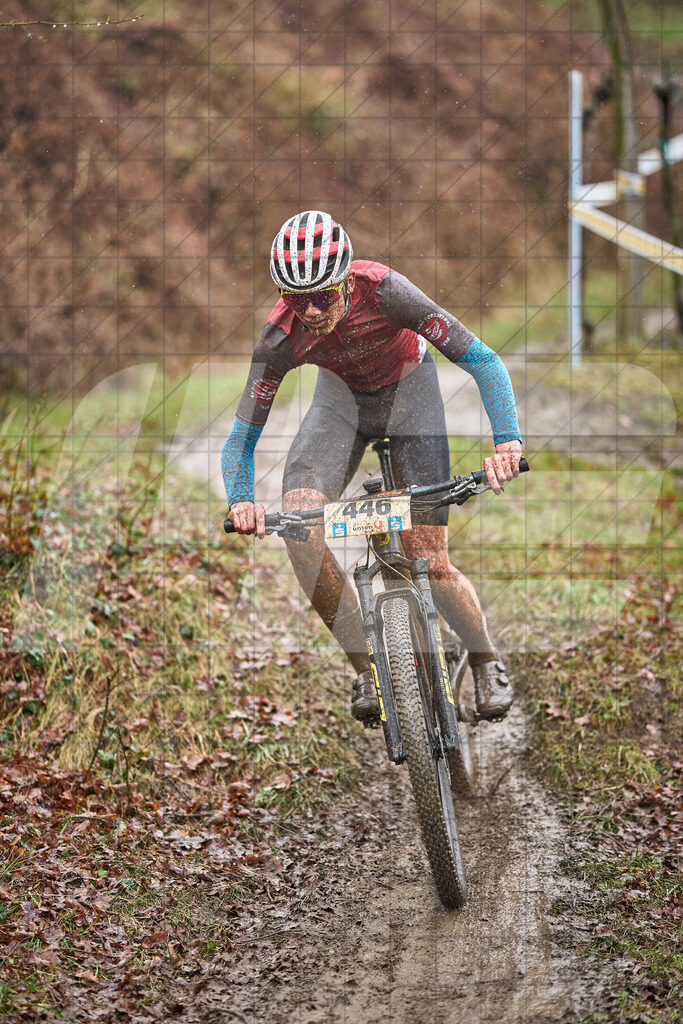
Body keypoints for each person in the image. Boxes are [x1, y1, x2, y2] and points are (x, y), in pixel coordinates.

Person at [222, 210, 523, 723]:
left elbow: (484, 361)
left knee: (427, 556)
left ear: (345, 281)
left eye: (322, 297)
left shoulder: (386, 291)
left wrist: (508, 442)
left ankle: (483, 657)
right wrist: (242, 499)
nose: (311, 311)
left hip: (411, 399)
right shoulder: (279, 340)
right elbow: (240, 440)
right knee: (299, 528)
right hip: (339, 410)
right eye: (297, 300)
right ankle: (367, 668)